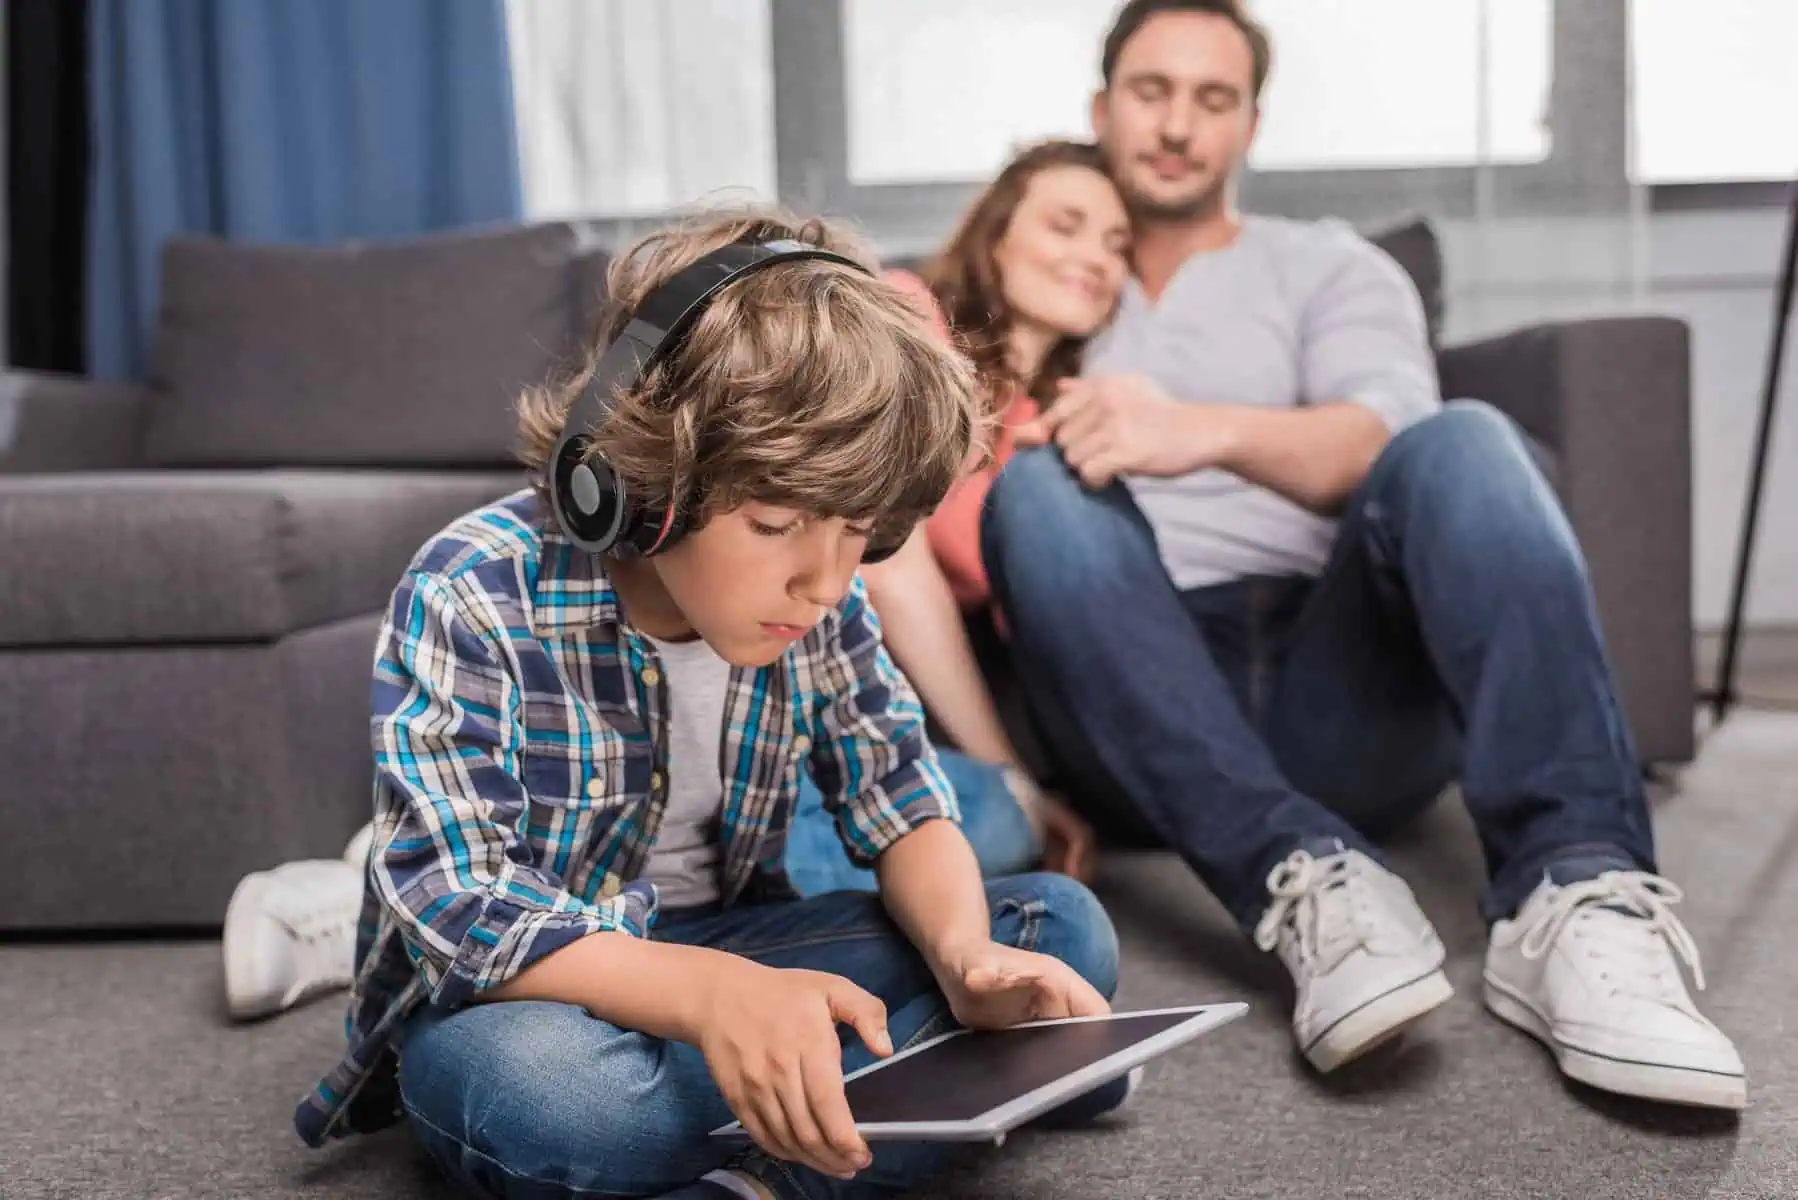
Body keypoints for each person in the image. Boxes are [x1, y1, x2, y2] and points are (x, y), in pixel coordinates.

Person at [978, 0, 1746, 1111]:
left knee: (1462, 439)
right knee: (1036, 490)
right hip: (1134, 703)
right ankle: (1304, 879)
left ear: (1250, 125)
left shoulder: (1324, 265)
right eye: (1151, 92)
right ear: (1102, 110)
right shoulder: (1052, 278)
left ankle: (1576, 889)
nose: (1178, 126)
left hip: (1337, 685)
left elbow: (1383, 443)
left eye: (1212, 99)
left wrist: (1197, 429)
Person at [291, 207, 1131, 1200]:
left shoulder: (827, 604)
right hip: (543, 988)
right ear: (636, 483)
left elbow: (902, 797)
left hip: (735, 937)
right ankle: (904, 1095)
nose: (823, 581)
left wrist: (963, 956)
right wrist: (710, 998)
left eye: (857, 532)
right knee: (552, 1102)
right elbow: (458, 905)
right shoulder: (473, 588)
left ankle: (764, 1167)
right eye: (775, 524)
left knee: (1059, 931)